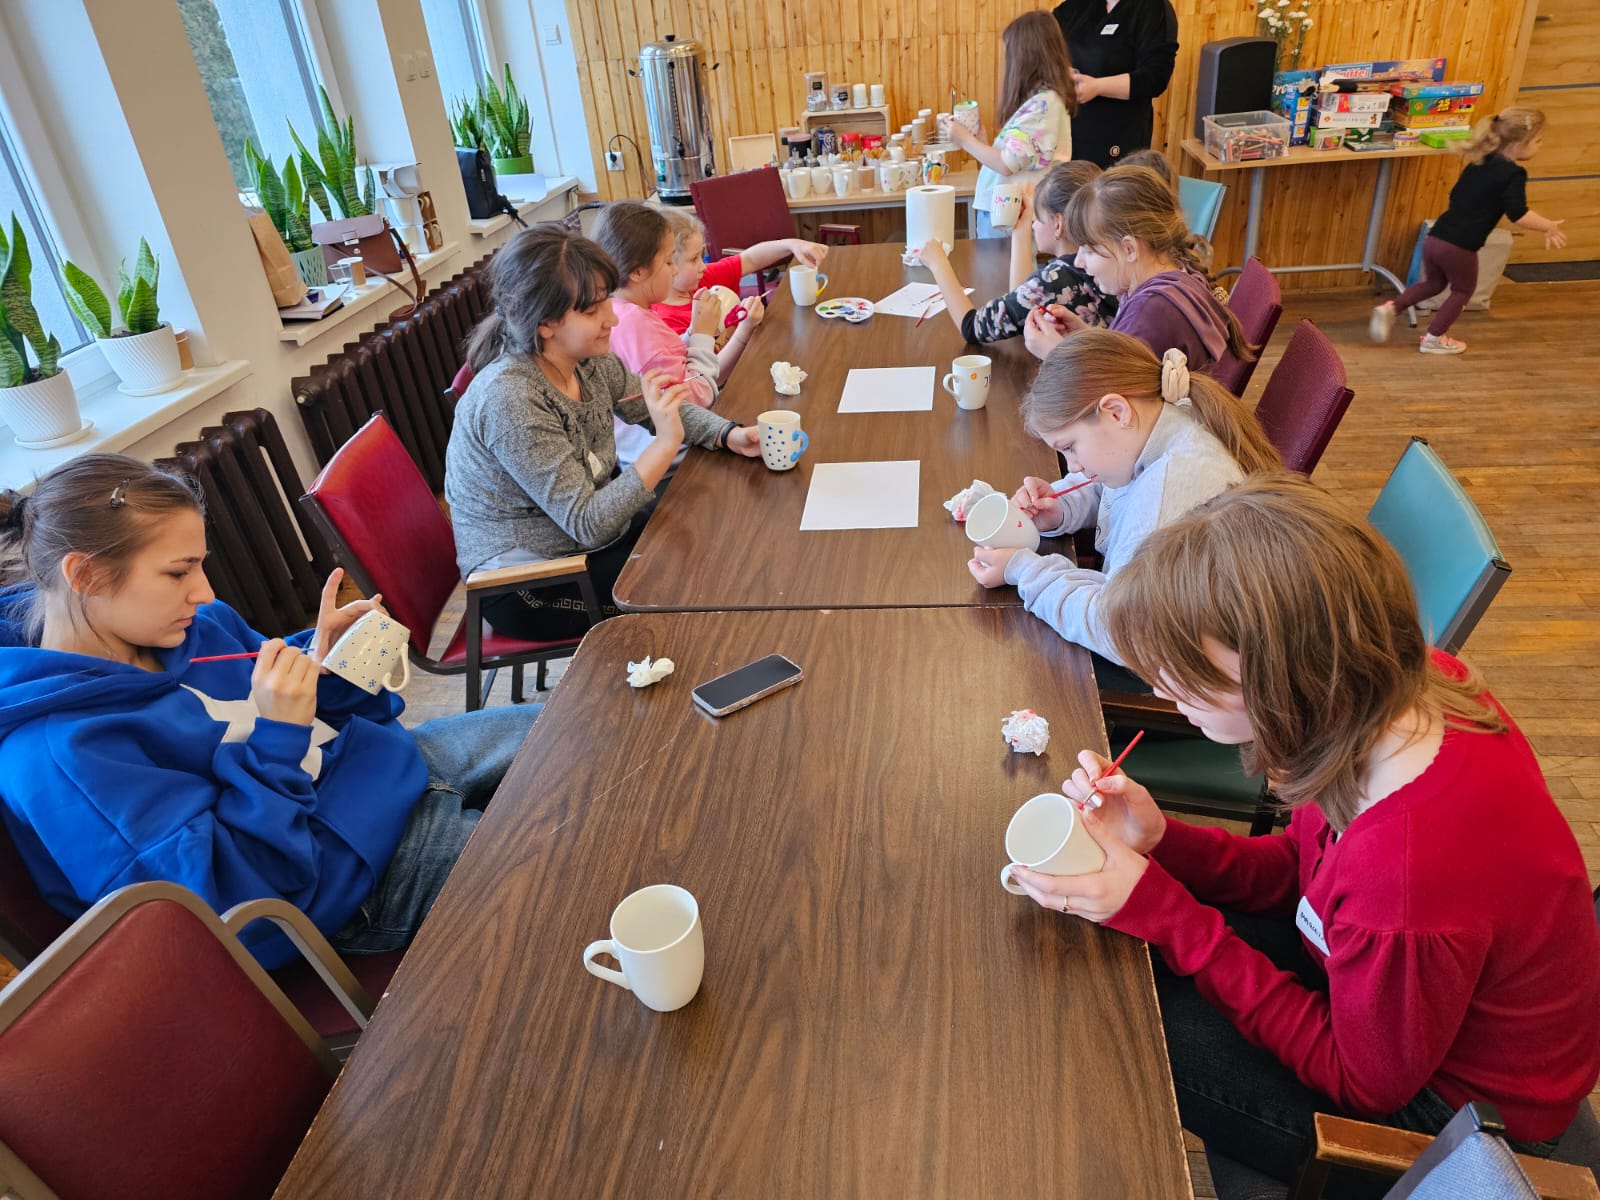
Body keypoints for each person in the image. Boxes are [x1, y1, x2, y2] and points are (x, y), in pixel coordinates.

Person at [1006, 475, 1600, 1196]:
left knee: (1118, 1017)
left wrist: (1165, 912)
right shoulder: (1403, 695)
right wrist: (1163, 842)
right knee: (1115, 954)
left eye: (1185, 674)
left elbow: (1363, 1082)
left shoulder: (1405, 871)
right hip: (1388, 1011)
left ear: (1282, 677)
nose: (1163, 692)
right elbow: (1307, 873)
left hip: (1455, 1127)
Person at [0, 455, 543, 968]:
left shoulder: (198, 626)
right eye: (178, 573)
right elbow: (229, 909)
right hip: (351, 885)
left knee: (573, 734)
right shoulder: (59, 755)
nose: (204, 592)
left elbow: (334, 721)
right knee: (561, 859)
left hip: (384, 779)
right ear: (86, 575)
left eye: (200, 566)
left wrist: (332, 665)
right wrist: (279, 733)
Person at [444, 224, 761, 642]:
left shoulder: (587, 360)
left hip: (582, 545)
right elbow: (588, 523)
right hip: (529, 585)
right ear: (546, 323)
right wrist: (666, 444)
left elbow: (654, 406)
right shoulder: (511, 400)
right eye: (593, 311)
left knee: (710, 534)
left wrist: (728, 434)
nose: (611, 318)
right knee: (695, 583)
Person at [966, 329, 1280, 665]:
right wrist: (1062, 507)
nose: (1073, 466)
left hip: (1173, 661)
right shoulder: (1164, 421)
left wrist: (1023, 569)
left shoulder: (1169, 490)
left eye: (1070, 447)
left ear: (1116, 411)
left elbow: (1117, 629)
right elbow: (1115, 484)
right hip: (1151, 622)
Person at [1373, 108, 1567, 355]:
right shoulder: (1513, 173)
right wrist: (1548, 226)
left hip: (1436, 236)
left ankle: (1391, 307)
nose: (1540, 146)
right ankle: (1434, 338)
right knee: (1462, 291)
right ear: (1520, 143)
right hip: (1460, 246)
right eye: (1538, 141)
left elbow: (1456, 194)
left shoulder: (1480, 161)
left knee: (1433, 283)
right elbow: (1518, 214)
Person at [1022, 163, 1250, 370]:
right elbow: (1125, 360)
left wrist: (1055, 354)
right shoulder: (1176, 277)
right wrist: (1083, 338)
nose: (1079, 262)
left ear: (1129, 249)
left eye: (1089, 250)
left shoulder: (1152, 312)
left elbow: (1111, 394)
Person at [919, 160, 1118, 343]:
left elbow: (973, 327)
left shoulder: (1056, 280)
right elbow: (1021, 308)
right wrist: (1021, 230)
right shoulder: (1113, 263)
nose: (1034, 225)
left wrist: (938, 264)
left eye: (1037, 216)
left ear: (1058, 224)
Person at [942, 11, 1077, 239]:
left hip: (1010, 214)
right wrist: (981, 143)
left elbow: (1007, 164)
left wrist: (964, 139)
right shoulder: (1041, 102)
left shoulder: (1045, 105)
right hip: (1006, 212)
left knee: (1003, 264)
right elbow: (1013, 159)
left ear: (1025, 57)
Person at [653, 208, 826, 384]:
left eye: (701, 256)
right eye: (693, 259)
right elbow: (711, 380)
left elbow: (750, 259)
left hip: (749, 363)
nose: (703, 266)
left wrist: (791, 245)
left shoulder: (701, 279)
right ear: (667, 263)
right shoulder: (665, 322)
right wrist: (745, 328)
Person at [593, 201, 721, 410]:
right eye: (669, 262)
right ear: (637, 272)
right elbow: (698, 398)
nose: (674, 270)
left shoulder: (616, 309)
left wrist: (691, 332)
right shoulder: (639, 326)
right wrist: (703, 335)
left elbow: (663, 357)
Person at [1052, 0, 1179, 168]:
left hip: (1121, 137)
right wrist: (1060, 71)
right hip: (1070, 137)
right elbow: (1046, 49)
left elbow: (1155, 77)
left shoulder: (1153, 8)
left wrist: (1097, 87)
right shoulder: (1073, 7)